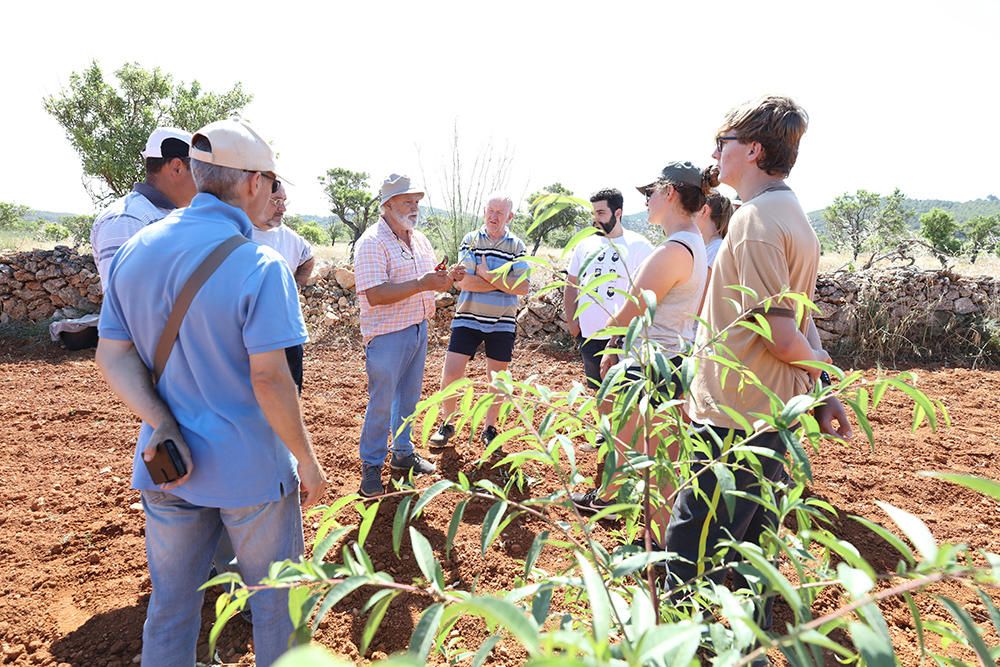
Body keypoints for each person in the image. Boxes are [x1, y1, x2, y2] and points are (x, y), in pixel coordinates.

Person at [95, 119, 327, 667]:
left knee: (171, 609)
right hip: (251, 473)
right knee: (276, 608)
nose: (274, 193)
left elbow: (113, 356)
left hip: (168, 463)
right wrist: (308, 461)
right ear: (251, 182)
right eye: (272, 182)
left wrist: (163, 421)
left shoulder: (136, 250)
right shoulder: (263, 265)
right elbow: (271, 380)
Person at [666, 96, 852, 645]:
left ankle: (683, 647)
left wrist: (828, 377)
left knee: (693, 544)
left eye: (723, 143)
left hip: (735, 418)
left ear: (751, 149)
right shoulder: (792, 215)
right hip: (771, 415)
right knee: (752, 546)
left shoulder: (754, 221)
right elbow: (800, 317)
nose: (714, 153)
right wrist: (819, 390)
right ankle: (751, 646)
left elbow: (779, 331)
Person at [571, 162, 712, 548]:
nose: (646, 201)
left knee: (646, 456)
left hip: (652, 364)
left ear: (670, 194)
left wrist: (610, 346)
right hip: (670, 360)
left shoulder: (673, 250)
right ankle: (631, 515)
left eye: (650, 193)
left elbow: (632, 308)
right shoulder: (693, 243)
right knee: (651, 453)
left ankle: (660, 545)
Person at [354, 173, 464, 497]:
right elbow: (374, 294)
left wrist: (448, 277)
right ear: (387, 204)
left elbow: (432, 279)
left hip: (418, 328)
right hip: (387, 335)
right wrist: (422, 284)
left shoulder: (419, 239)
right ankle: (371, 467)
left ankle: (402, 454)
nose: (414, 207)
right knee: (381, 402)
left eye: (416, 201)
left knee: (408, 399)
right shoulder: (372, 242)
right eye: (407, 201)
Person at [427, 194, 529, 451]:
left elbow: (523, 287)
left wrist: (484, 274)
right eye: (490, 211)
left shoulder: (517, 247)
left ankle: (490, 428)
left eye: (500, 212)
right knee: (451, 374)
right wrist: (501, 281)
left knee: (497, 378)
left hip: (502, 322)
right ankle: (447, 423)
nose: (494, 216)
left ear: (510, 217)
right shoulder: (471, 240)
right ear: (484, 212)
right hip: (468, 317)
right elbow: (465, 283)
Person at [564, 188, 653, 393]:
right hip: (588, 335)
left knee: (625, 396)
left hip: (624, 338)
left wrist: (622, 336)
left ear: (618, 213)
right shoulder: (584, 245)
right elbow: (571, 285)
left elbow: (645, 295)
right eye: (593, 213)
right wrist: (573, 324)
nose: (596, 219)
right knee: (599, 394)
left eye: (601, 213)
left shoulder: (640, 246)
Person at [90, 127, 197, 289]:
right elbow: (125, 303)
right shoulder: (126, 219)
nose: (204, 182)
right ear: (177, 167)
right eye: (200, 171)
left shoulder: (176, 215)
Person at [251, 183, 314, 392]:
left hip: (287, 332)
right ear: (255, 197)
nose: (282, 208)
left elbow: (308, 257)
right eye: (276, 201)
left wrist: (295, 285)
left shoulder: (288, 236)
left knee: (289, 396)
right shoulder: (238, 233)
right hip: (251, 337)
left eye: (284, 202)